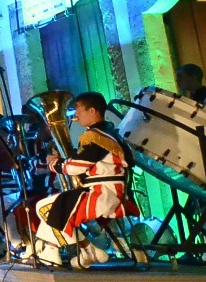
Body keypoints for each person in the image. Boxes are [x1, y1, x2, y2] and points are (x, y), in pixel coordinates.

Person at [30, 93, 143, 266]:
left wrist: (54, 163)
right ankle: (87, 250)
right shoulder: (108, 133)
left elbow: (76, 167)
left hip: (103, 195)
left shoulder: (96, 136)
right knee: (50, 205)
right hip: (107, 192)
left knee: (44, 207)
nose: (76, 115)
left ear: (92, 111)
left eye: (78, 109)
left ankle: (53, 250)